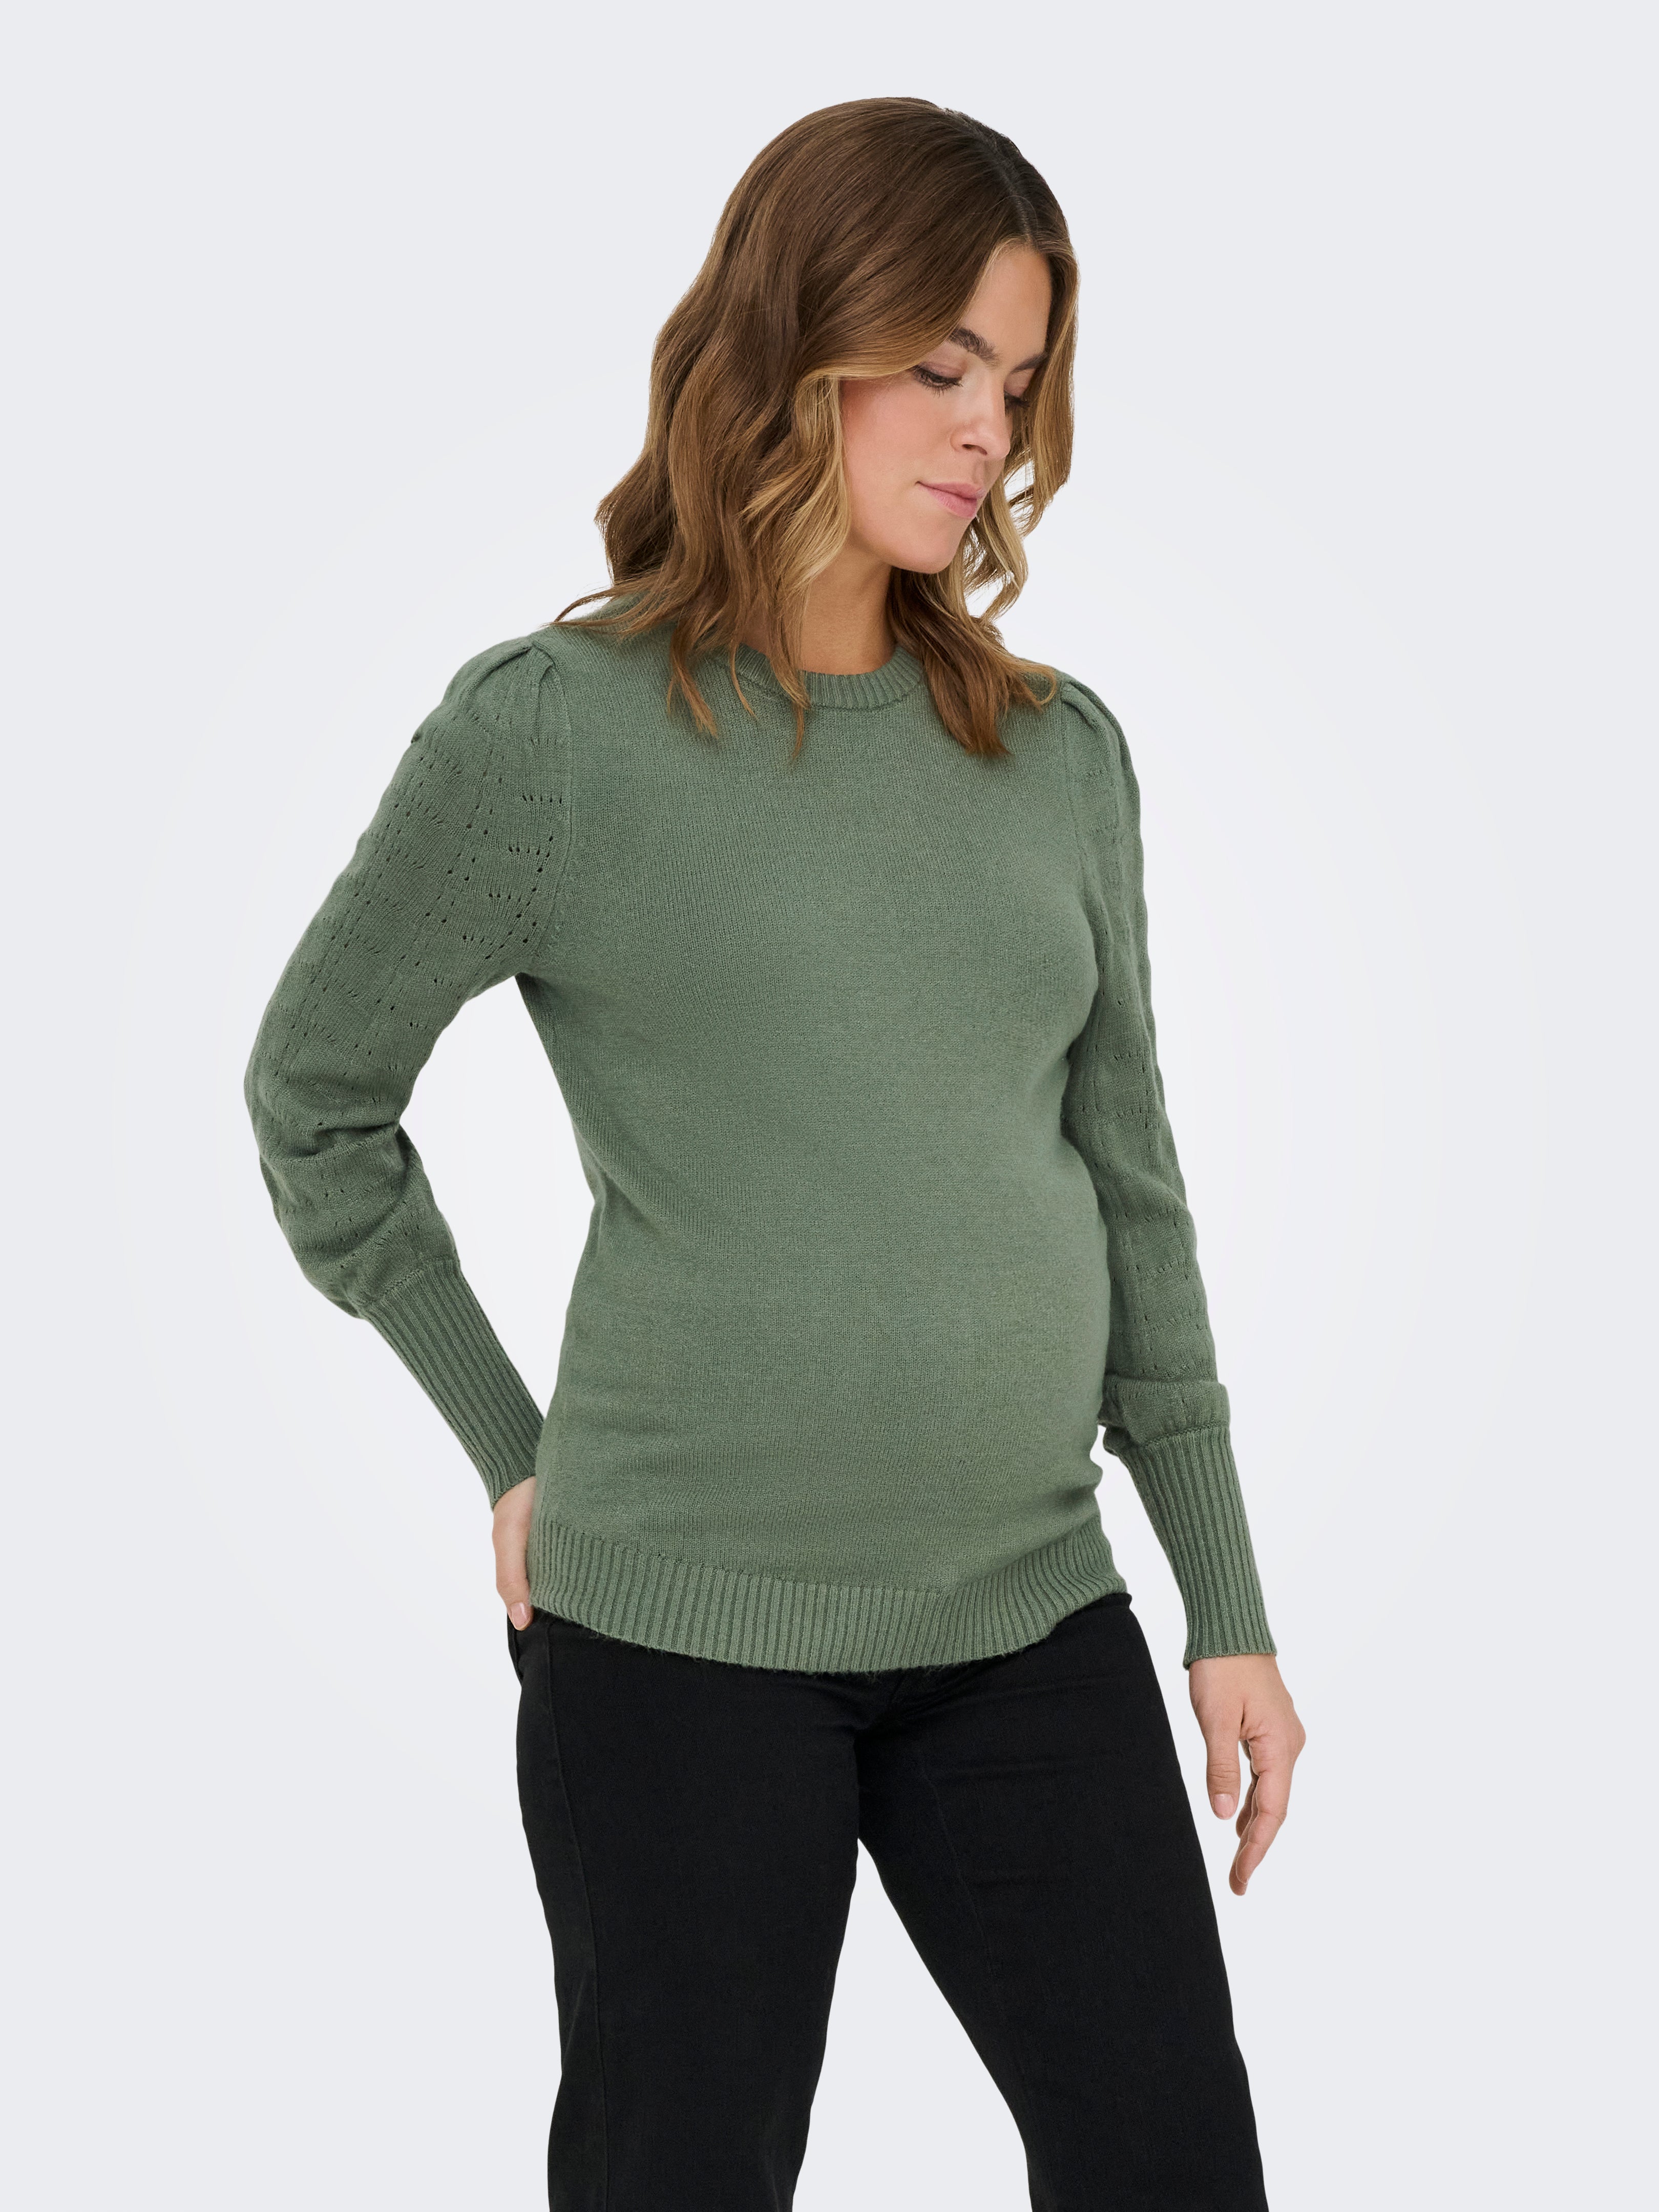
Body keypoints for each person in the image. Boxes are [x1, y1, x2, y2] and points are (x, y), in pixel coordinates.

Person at [244, 95, 1305, 2212]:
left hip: (1027, 1608)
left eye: (1018, 378)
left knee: (1175, 2163)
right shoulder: (553, 738)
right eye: (942, 363)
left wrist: (1229, 1602)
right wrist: (511, 1448)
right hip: (676, 1647)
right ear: (797, 344)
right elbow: (317, 1099)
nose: (990, 425)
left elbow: (1136, 1183)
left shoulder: (1056, 756)